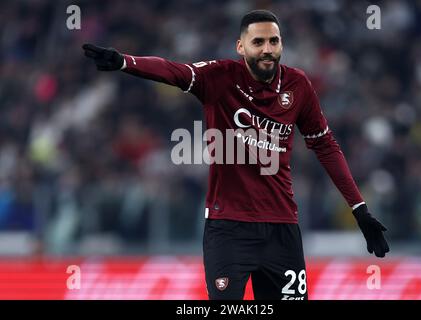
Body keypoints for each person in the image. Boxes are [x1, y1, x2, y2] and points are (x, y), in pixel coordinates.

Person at [82, 9, 389, 300]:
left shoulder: (298, 86)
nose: (267, 49)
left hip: (282, 228)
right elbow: (174, 71)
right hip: (228, 229)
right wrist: (125, 62)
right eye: (258, 42)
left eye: (274, 41)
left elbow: (326, 146)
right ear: (241, 47)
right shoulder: (219, 77)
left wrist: (359, 210)